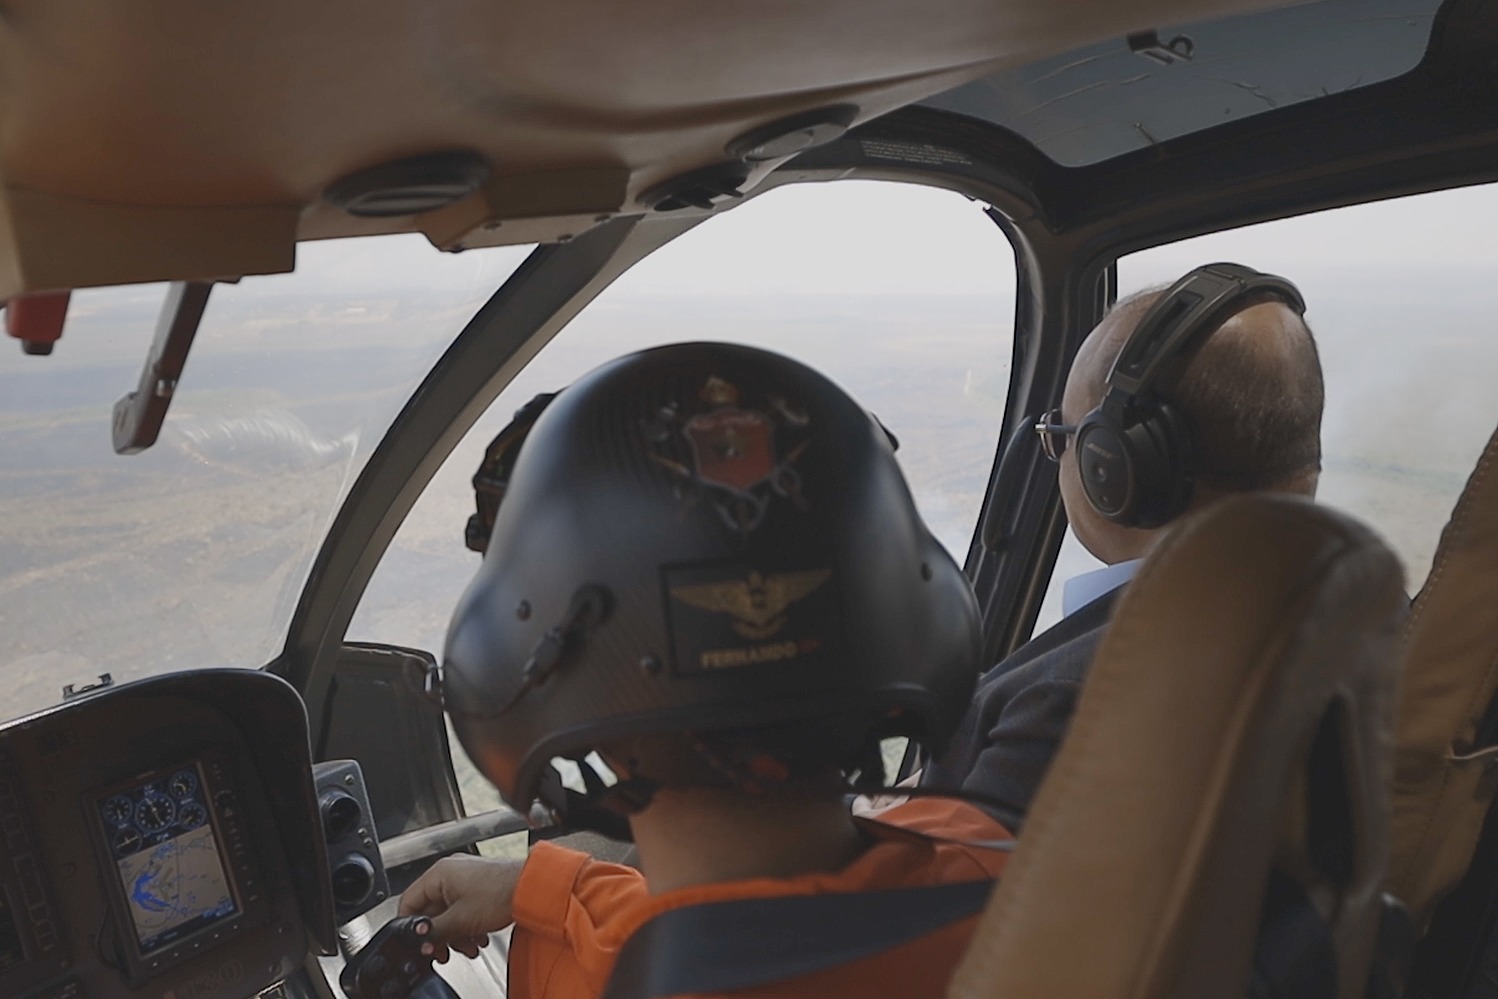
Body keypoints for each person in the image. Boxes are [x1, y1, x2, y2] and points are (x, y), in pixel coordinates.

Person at [400, 342, 1011, 998]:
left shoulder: (596, 979)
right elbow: (753, 926)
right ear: (905, 617)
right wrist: (544, 889)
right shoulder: (1001, 861)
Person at [923, 263, 1325, 832]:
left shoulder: (1075, 704)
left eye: (1060, 435)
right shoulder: (1370, 625)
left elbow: (955, 889)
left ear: (1110, 465)